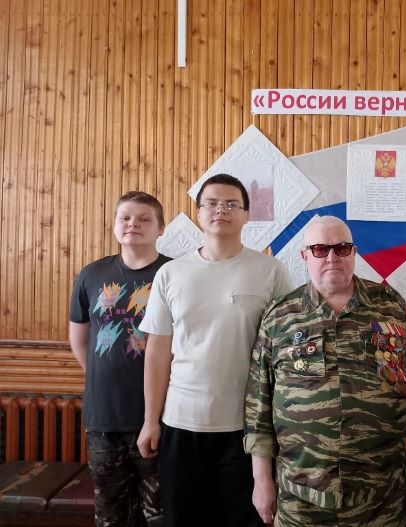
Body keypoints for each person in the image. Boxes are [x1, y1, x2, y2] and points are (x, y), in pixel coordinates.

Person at [244, 215, 406, 527]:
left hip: (381, 496)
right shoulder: (281, 316)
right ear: (305, 256)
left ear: (354, 252)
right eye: (320, 249)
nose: (332, 257)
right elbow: (259, 402)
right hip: (301, 495)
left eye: (342, 248)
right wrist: (261, 479)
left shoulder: (389, 306)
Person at [136, 174, 292, 527]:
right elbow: (157, 353)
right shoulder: (171, 273)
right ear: (198, 213)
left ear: (246, 215)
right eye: (211, 203)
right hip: (180, 423)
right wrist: (150, 421)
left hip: (247, 429)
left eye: (231, 204)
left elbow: (283, 352)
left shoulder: (270, 271)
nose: (221, 210)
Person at [69, 191, 170, 526]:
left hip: (163, 414)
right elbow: (79, 339)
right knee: (111, 514)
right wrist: (106, 375)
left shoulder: (175, 273)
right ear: (114, 225)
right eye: (125, 217)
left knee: (160, 513)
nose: (133, 224)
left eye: (144, 219)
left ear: (161, 228)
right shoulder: (91, 274)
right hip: (104, 416)